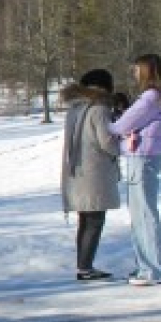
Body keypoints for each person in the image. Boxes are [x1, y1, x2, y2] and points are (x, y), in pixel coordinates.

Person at [110, 53, 161, 287]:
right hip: (144, 156)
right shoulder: (160, 97)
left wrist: (109, 125)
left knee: (144, 214)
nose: (135, 73)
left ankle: (152, 270)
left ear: (147, 71)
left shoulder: (150, 98)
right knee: (141, 213)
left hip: (142, 158)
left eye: (137, 69)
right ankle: (145, 266)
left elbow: (123, 124)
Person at [60, 69, 122, 281]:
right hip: (94, 172)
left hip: (76, 172)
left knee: (85, 221)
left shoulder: (75, 108)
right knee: (95, 220)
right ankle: (85, 268)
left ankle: (83, 264)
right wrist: (121, 146)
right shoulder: (99, 109)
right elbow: (107, 142)